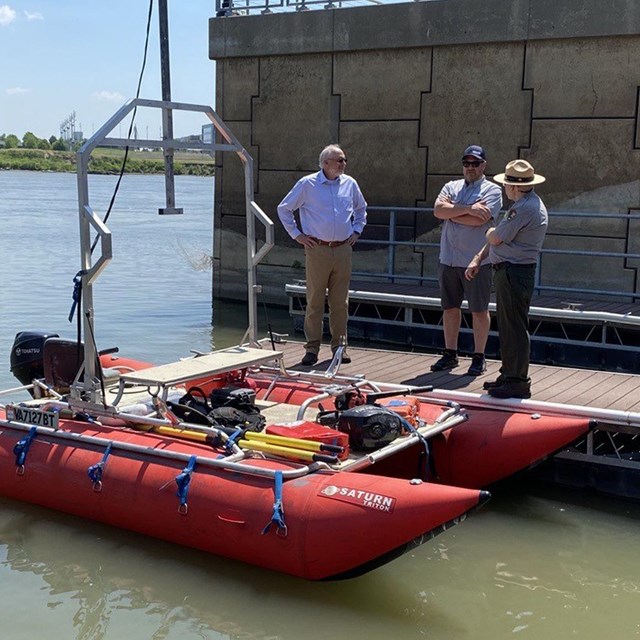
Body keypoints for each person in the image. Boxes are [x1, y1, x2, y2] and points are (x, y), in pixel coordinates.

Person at [277, 144, 367, 366]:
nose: (343, 164)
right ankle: (312, 349)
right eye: (339, 160)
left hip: (343, 248)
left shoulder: (350, 183)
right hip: (317, 249)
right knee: (315, 301)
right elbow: (284, 209)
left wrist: (357, 230)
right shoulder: (307, 184)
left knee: (340, 303)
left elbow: (361, 209)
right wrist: (297, 235)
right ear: (325, 163)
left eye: (344, 160)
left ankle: (340, 348)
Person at [465, 159, 548, 399]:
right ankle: (510, 373)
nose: (504, 188)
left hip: (514, 271)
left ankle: (517, 380)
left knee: (513, 327)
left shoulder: (522, 208)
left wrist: (490, 231)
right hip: (513, 271)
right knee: (511, 325)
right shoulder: (527, 204)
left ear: (513, 187)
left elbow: (496, 238)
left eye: (505, 185)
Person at [431, 145, 503, 375]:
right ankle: (450, 354)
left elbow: (479, 221)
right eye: (467, 163)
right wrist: (469, 209)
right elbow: (438, 210)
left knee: (479, 309)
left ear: (484, 165)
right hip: (448, 259)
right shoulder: (450, 186)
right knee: (449, 308)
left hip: (476, 260)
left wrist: (453, 213)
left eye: (475, 163)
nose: (470, 167)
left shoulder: (493, 190)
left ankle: (479, 356)